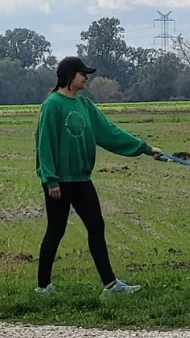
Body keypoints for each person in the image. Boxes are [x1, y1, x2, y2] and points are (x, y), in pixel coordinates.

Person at [34, 57, 163, 295]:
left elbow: (110, 132)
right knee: (56, 230)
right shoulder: (52, 105)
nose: (87, 77)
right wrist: (50, 180)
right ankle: (43, 287)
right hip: (59, 182)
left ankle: (111, 285)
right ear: (69, 76)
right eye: (83, 73)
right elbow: (44, 144)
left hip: (82, 179)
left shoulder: (85, 105)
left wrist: (144, 148)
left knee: (96, 226)